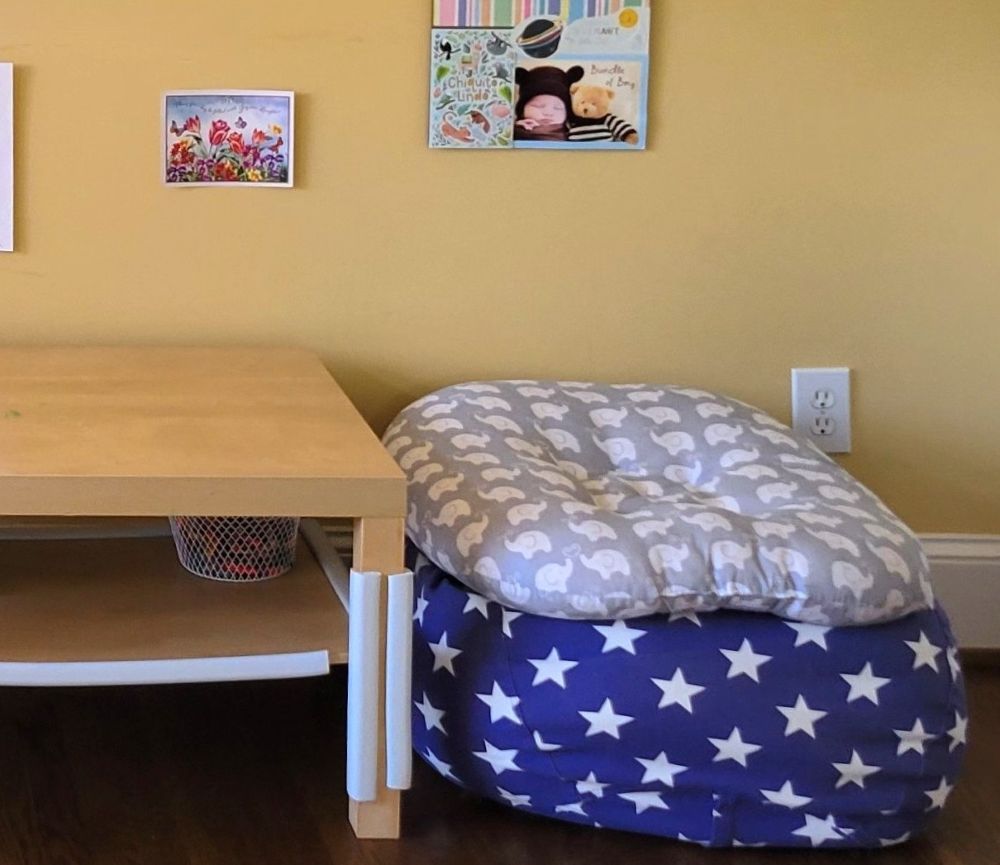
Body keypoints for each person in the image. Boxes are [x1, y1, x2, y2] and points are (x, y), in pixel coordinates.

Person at [513, 65, 583, 142]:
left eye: (557, 108)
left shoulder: (575, 135)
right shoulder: (513, 133)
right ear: (522, 110)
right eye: (538, 106)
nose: (548, 113)